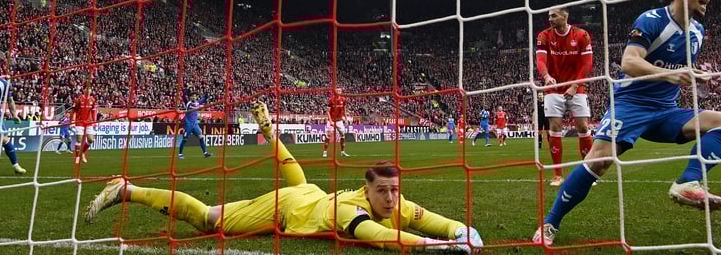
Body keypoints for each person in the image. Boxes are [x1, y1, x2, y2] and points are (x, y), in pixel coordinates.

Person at [85, 102, 484, 253]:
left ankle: (270, 131)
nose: (391, 199)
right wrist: (436, 247)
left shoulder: (397, 203)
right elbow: (376, 237)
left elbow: (430, 219)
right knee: (207, 219)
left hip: (311, 194)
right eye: (383, 192)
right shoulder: (353, 211)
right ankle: (127, 190)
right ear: (368, 191)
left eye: (394, 191)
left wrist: (460, 230)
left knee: (302, 181)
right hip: (289, 208)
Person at [534, 0, 721, 247]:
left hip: (666, 111)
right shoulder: (652, 20)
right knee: (598, 162)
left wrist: (692, 74)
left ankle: (687, 183)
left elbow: (678, 69)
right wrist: (671, 74)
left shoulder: (697, 32)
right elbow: (629, 62)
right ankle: (550, 223)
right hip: (630, 105)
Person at [535, 7, 594, 186]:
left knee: (583, 127)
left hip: (577, 87)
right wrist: (546, 76)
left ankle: (588, 174)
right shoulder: (544, 36)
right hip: (553, 88)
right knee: (554, 127)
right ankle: (557, 175)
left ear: (565, 16)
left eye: (554, 16)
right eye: (549, 16)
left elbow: (587, 63)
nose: (550, 19)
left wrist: (575, 85)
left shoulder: (582, 35)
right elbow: (540, 60)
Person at [178, 92, 212, 159]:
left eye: (195, 96)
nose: (194, 97)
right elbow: (184, 97)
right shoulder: (188, 103)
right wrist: (185, 91)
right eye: (192, 96)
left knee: (201, 137)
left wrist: (206, 94)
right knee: (185, 139)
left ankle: (205, 153)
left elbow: (204, 99)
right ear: (190, 97)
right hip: (188, 124)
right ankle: (180, 154)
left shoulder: (198, 103)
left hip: (195, 124)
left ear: (196, 97)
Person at [72, 87, 98, 165]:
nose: (88, 90)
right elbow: (73, 110)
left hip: (89, 122)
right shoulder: (79, 99)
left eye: (89, 89)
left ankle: (82, 152)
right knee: (79, 139)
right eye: (87, 89)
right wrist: (72, 121)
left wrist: (94, 121)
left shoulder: (92, 100)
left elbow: (94, 112)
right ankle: (77, 157)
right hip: (79, 122)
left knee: (91, 139)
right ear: (84, 90)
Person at [323, 87, 350, 158]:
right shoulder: (331, 100)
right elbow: (327, 111)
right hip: (331, 120)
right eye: (337, 90)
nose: (338, 91)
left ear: (341, 92)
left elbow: (344, 110)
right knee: (328, 135)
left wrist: (346, 119)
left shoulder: (343, 99)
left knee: (343, 135)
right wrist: (330, 121)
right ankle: (325, 151)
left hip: (339, 121)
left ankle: (342, 152)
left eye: (339, 90)